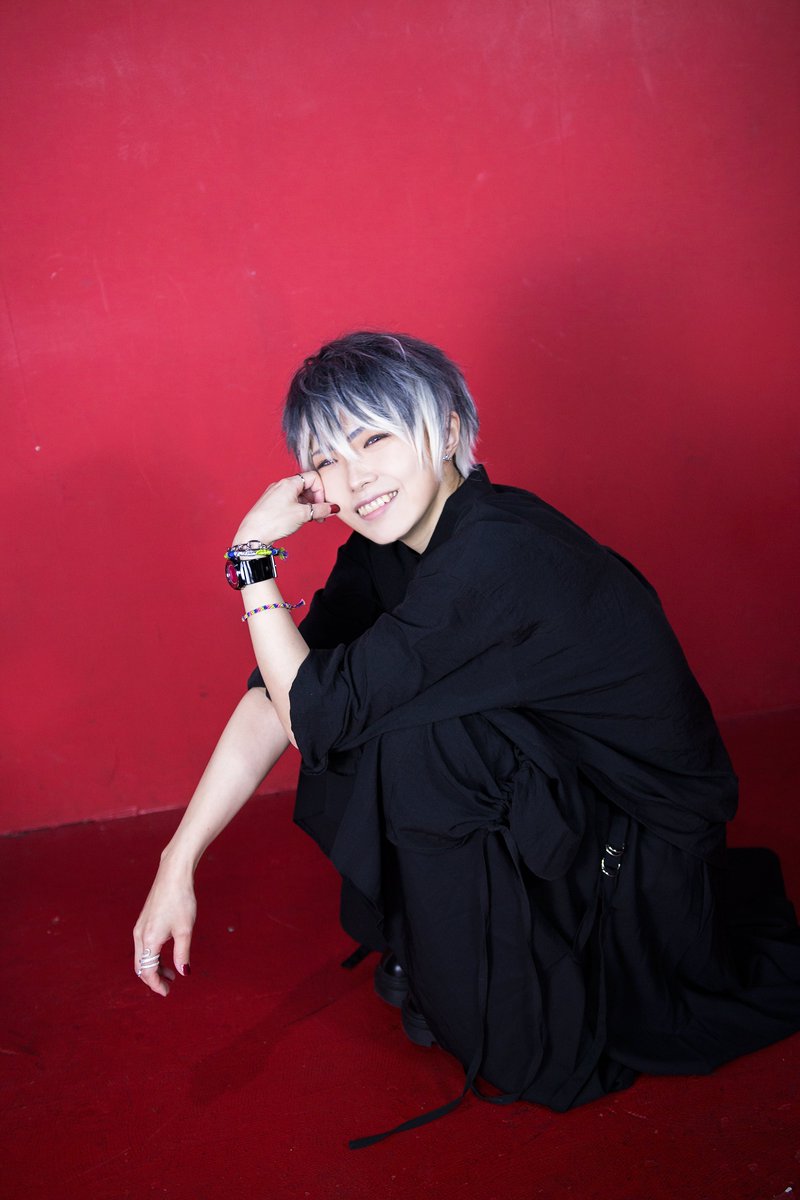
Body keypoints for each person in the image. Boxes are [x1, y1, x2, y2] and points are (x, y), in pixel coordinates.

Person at [134, 331, 800, 1147]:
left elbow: (317, 716)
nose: (355, 478)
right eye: (326, 459)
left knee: (415, 733)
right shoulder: (388, 551)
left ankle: (510, 993)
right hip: (570, 808)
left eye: (375, 439)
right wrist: (178, 860)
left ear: (447, 429)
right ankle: (450, 947)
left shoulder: (500, 553)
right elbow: (276, 700)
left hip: (640, 860)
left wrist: (252, 559)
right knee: (364, 696)